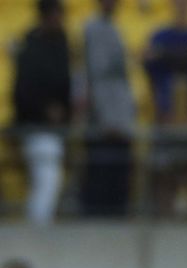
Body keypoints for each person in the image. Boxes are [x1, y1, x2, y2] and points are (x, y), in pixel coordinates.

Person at [143, 0, 187, 217]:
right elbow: (151, 76)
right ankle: (165, 222)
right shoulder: (160, 37)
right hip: (167, 117)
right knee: (164, 174)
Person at [12, 0, 71, 225]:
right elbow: (23, 90)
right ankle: (37, 231)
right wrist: (45, 109)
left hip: (56, 128)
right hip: (35, 125)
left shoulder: (60, 43)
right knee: (48, 180)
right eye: (56, 15)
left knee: (48, 181)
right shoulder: (31, 47)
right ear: (45, 16)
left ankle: (39, 228)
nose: (60, 20)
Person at [82, 0, 136, 217]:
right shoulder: (93, 28)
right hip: (105, 118)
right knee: (102, 174)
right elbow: (97, 75)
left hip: (119, 115)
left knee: (118, 176)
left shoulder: (113, 27)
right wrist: (107, 119)